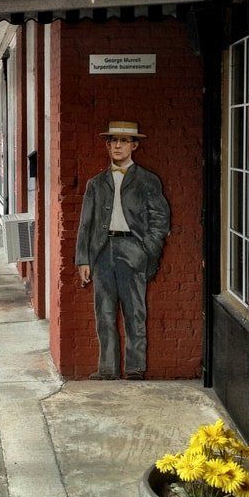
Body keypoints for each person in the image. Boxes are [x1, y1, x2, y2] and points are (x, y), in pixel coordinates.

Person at [75, 121, 170, 380]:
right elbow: (86, 223)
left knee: (134, 312)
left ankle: (135, 367)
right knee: (104, 313)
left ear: (134, 146)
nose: (117, 146)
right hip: (102, 252)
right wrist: (83, 260)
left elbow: (160, 219)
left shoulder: (148, 180)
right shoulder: (96, 183)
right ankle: (107, 368)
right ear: (107, 145)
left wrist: (147, 249)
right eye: (113, 141)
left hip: (133, 249)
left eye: (123, 141)